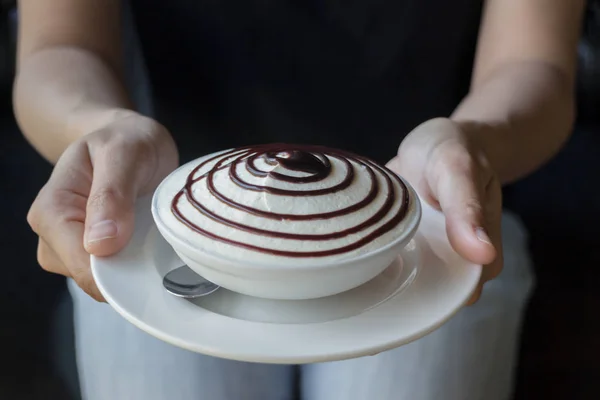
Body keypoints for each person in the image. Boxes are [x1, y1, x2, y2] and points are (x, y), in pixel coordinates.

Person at [14, 0, 584, 399]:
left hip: (431, 218)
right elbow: (60, 45)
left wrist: (474, 141)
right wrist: (99, 128)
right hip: (169, 233)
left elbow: (532, 61)